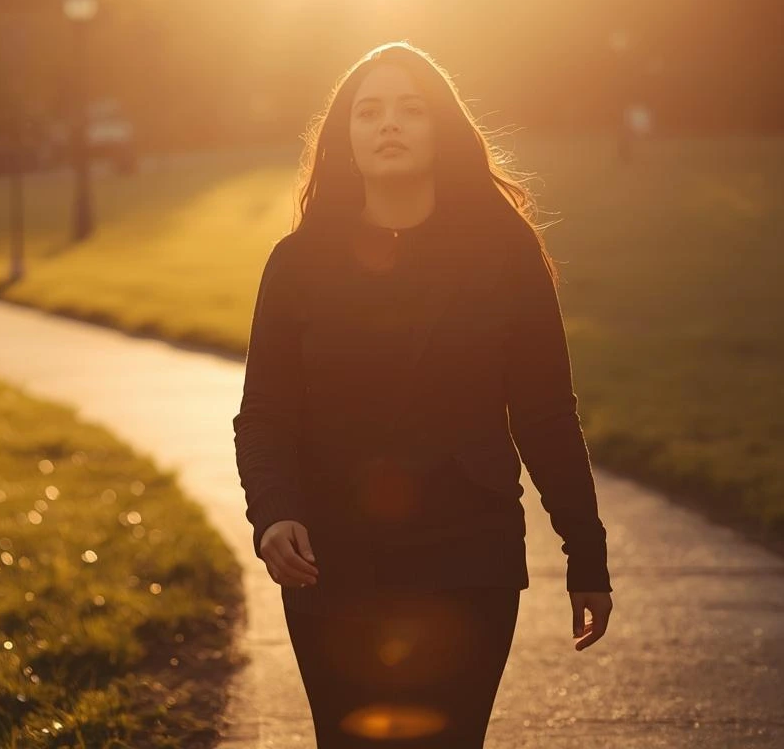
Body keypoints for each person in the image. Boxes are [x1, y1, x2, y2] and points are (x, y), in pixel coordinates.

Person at [232, 42, 615, 748]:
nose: (390, 124)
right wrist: (275, 513)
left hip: (468, 553)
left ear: (442, 127)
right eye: (369, 111)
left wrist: (585, 554)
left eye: (412, 108)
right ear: (345, 136)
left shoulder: (506, 253)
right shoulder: (297, 263)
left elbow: (545, 414)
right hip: (332, 558)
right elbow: (264, 416)